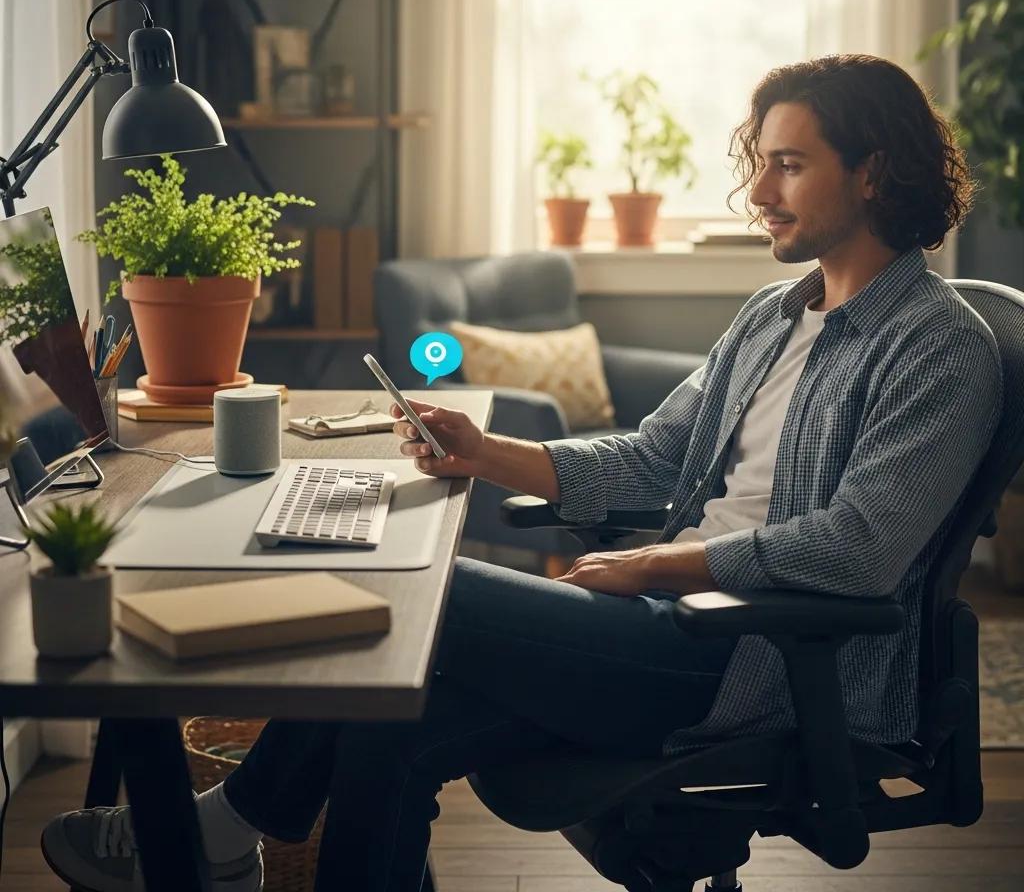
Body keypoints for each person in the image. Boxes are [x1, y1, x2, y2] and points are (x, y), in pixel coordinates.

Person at [41, 54, 1002, 892]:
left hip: (758, 659)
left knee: (428, 595)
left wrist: (652, 565)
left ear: (873, 172)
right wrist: (483, 452)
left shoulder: (938, 346)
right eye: (761, 162)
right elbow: (656, 454)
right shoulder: (774, 313)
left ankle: (222, 830)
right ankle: (226, 836)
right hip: (668, 623)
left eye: (789, 165)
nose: (758, 191)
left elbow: (857, 550)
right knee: (392, 729)